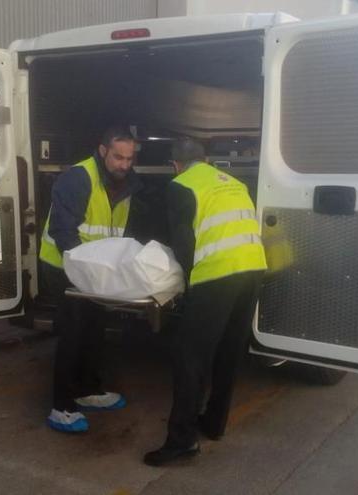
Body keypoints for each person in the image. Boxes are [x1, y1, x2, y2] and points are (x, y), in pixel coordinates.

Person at [144, 138, 267, 466]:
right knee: (228, 352)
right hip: (253, 269)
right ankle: (214, 424)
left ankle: (181, 441)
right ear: (207, 160)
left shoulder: (181, 185)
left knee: (190, 357)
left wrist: (184, 287)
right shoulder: (234, 183)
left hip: (217, 275)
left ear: (175, 165)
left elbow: (185, 244)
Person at [39, 126, 141, 433]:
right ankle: (62, 406)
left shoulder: (126, 183)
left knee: (95, 328)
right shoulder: (78, 178)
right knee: (73, 333)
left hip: (96, 270)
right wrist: (86, 269)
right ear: (102, 151)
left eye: (129, 158)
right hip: (65, 266)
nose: (124, 164)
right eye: (118, 157)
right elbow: (62, 232)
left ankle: (89, 391)